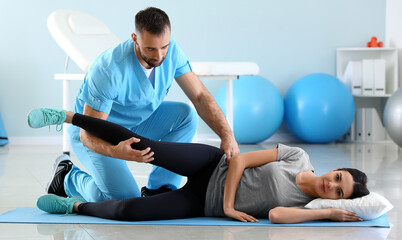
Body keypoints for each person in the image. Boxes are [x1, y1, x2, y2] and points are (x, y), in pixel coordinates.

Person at [29, 108, 369, 223]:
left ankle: (72, 205)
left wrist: (325, 212)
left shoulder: (307, 206)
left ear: (337, 200)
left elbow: (278, 216)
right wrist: (228, 205)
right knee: (143, 145)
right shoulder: (299, 158)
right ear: (335, 168)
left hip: (199, 203)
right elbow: (240, 159)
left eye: (339, 192)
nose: (332, 185)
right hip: (213, 166)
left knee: (129, 212)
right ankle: (66, 116)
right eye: (338, 177)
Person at [47, 7, 240, 201]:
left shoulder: (171, 51)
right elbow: (87, 133)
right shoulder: (108, 70)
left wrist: (227, 135)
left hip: (136, 122)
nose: (158, 56)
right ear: (135, 38)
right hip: (96, 133)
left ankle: (159, 188)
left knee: (185, 116)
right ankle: (67, 177)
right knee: (122, 199)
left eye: (163, 47)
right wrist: (115, 151)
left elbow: (199, 96)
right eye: (150, 49)